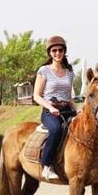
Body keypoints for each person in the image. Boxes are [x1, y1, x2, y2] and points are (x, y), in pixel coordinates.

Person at [33, 36, 76, 180]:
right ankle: (46, 165)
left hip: (67, 109)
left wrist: (78, 109)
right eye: (54, 50)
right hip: (49, 111)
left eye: (60, 50)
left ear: (64, 52)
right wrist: (50, 107)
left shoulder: (69, 73)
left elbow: (69, 97)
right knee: (56, 129)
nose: (58, 53)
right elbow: (36, 96)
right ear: (50, 53)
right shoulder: (44, 71)